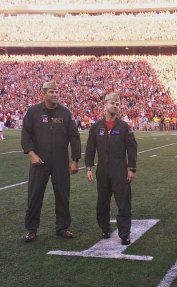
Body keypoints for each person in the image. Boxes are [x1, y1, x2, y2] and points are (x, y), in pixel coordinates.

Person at [21, 81, 81, 242]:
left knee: (62, 195)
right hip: (39, 162)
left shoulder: (65, 113)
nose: (55, 94)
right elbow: (26, 134)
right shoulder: (33, 112)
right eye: (52, 92)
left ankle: (62, 227)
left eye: (57, 92)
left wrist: (75, 159)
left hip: (60, 162)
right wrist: (31, 153)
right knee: (34, 196)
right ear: (44, 93)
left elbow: (74, 136)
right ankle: (31, 229)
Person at [85, 92, 137, 245]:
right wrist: (88, 167)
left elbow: (132, 148)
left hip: (119, 170)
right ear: (105, 104)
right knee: (102, 202)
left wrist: (131, 168)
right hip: (102, 170)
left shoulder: (124, 127)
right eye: (112, 103)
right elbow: (90, 149)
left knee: (123, 203)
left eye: (117, 104)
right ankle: (105, 228)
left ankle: (124, 233)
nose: (115, 106)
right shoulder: (96, 127)